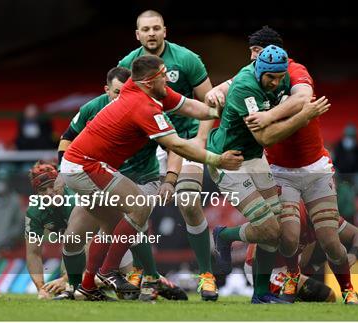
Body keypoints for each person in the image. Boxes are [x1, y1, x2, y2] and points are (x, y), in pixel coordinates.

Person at [60, 55, 242, 301]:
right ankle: (109, 271)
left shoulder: (150, 91)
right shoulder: (142, 106)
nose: (167, 78)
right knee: (139, 206)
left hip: (83, 165)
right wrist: (218, 160)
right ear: (148, 81)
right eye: (163, 75)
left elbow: (193, 107)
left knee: (111, 222)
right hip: (85, 166)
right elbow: (177, 145)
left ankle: (88, 286)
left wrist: (217, 105)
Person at [209, 26, 358, 304]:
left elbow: (303, 97)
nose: (252, 59)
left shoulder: (287, 73)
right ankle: (226, 237)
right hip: (235, 160)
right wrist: (216, 94)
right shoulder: (249, 81)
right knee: (276, 230)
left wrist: (266, 113)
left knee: (314, 237)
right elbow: (264, 133)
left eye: (256, 52)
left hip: (292, 164)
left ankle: (266, 294)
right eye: (252, 55)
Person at [56, 67, 187, 301]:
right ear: (107, 90)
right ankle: (80, 287)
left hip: (141, 178)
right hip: (98, 176)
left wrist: (170, 179)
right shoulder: (94, 108)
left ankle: (146, 280)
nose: (121, 97)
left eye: (125, 91)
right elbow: (68, 137)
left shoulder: (146, 108)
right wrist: (59, 170)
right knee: (74, 236)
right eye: (116, 92)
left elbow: (174, 147)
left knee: (132, 218)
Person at [118, 10, 219, 300]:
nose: (151, 33)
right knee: (135, 209)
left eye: (156, 28)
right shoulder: (127, 64)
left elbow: (210, 103)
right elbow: (117, 105)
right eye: (145, 29)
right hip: (148, 145)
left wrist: (201, 140)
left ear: (165, 31)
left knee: (187, 201)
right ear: (137, 34)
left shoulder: (187, 59)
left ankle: (206, 276)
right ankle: (145, 276)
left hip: (185, 140)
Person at [24, 161, 135, 300]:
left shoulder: (77, 198)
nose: (49, 193)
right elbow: (33, 253)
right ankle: (84, 287)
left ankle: (136, 279)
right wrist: (41, 288)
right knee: (70, 252)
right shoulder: (34, 212)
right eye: (42, 190)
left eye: (52, 186)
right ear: (37, 193)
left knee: (133, 288)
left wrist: (65, 279)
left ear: (59, 183)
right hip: (88, 250)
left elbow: (91, 239)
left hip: (115, 245)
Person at [244, 208, 358, 304]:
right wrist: (260, 286)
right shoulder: (290, 213)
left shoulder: (325, 215)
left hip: (292, 266)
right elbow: (257, 250)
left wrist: (353, 255)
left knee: (328, 296)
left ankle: (293, 293)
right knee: (322, 293)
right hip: (265, 269)